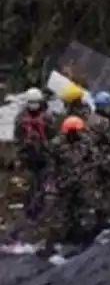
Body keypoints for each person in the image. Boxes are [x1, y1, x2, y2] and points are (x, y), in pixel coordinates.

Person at [50, 116, 94, 239]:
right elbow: (53, 162)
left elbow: (91, 157)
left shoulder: (85, 141)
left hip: (81, 178)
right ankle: (66, 232)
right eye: (73, 131)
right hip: (65, 179)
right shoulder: (57, 144)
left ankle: (81, 229)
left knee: (81, 205)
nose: (75, 133)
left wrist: (88, 169)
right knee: (65, 207)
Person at [14, 88, 53, 217]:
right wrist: (20, 153)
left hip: (43, 156)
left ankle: (39, 209)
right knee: (29, 184)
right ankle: (29, 210)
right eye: (31, 102)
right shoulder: (21, 118)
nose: (33, 105)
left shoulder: (47, 116)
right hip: (28, 156)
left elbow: (52, 135)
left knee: (42, 184)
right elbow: (18, 137)